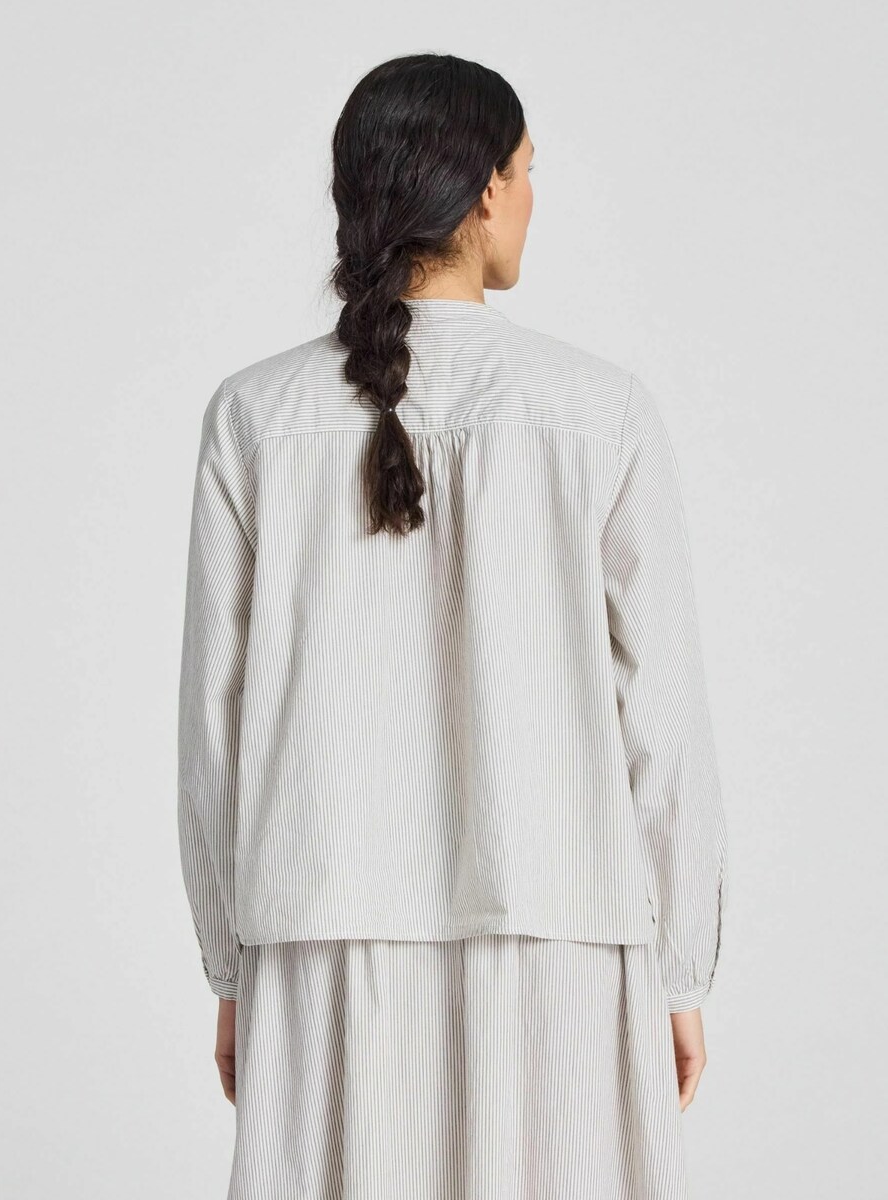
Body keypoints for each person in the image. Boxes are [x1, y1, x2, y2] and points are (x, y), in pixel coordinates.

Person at [177, 51, 728, 1200]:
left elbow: (214, 737)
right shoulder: (602, 411)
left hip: (322, 942)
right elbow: (664, 722)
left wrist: (231, 962)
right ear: (485, 190)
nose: (532, 196)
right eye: (527, 169)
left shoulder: (253, 418)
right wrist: (679, 971)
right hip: (559, 932)